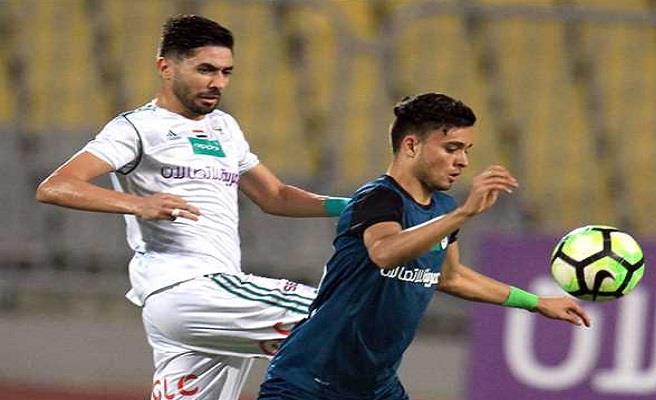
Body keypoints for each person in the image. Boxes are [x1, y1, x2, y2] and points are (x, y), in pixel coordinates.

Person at [35, 15, 349, 400]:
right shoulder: (136, 128)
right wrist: (137, 204)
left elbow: (276, 196)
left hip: (210, 303)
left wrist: (353, 206)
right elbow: (56, 186)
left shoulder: (224, 127)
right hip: (188, 288)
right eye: (205, 70)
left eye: (226, 72)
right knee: (339, 314)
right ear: (165, 67)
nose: (218, 83)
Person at [257, 92, 592, 400]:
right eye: (451, 148)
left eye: (466, 150)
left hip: (375, 388)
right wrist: (463, 213)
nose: (462, 161)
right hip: (310, 381)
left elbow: (451, 277)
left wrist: (535, 302)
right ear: (411, 146)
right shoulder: (378, 198)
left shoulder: (442, 208)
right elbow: (384, 252)